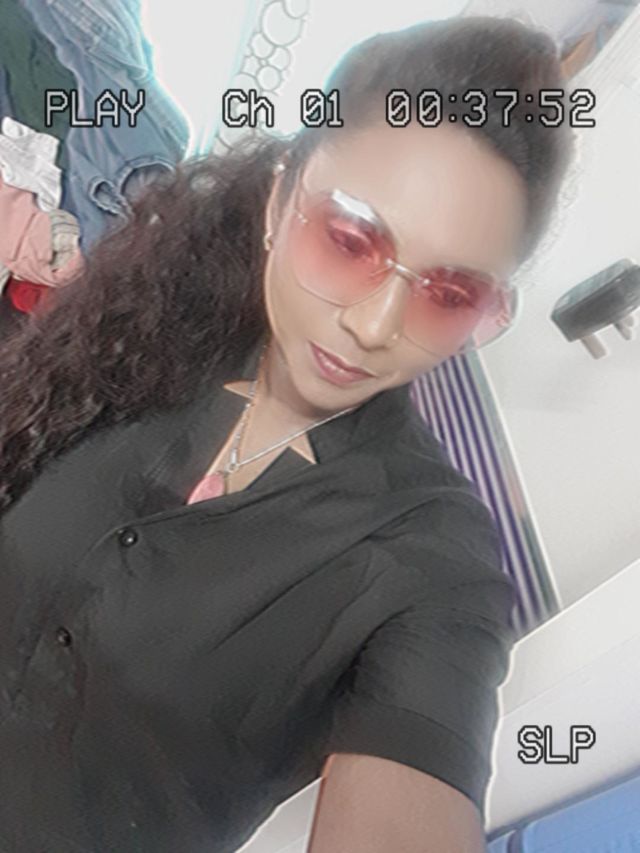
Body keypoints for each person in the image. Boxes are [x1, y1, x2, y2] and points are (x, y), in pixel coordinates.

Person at [0, 15, 575, 853]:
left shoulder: (430, 566)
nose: (375, 324)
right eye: (349, 240)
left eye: (449, 295)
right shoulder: (148, 318)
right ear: (280, 200)